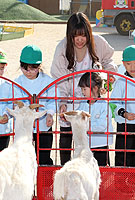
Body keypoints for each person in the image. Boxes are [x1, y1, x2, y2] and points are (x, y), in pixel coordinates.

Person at [50, 12, 117, 165]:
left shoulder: (98, 43)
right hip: (71, 102)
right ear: (69, 35)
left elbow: (109, 62)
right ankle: (67, 172)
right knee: (68, 139)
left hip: (93, 103)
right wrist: (62, 102)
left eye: (83, 35)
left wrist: (107, 80)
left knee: (98, 142)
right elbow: (58, 78)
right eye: (75, 36)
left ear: (89, 34)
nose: (79, 40)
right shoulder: (62, 49)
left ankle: (100, 174)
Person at [14, 45, 57, 165]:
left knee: (43, 157)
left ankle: (45, 182)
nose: (28, 72)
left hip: (43, 126)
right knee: (23, 158)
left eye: (33, 68)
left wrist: (50, 114)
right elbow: (17, 102)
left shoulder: (48, 81)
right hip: (24, 127)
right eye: (24, 68)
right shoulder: (18, 82)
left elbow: (53, 100)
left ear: (40, 66)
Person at [77, 72, 113, 166]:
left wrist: (84, 126)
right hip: (86, 144)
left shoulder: (104, 105)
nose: (82, 92)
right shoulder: (83, 103)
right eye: (82, 89)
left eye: (84, 89)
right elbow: (78, 116)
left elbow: (102, 126)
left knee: (101, 169)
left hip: (100, 143)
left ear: (95, 88)